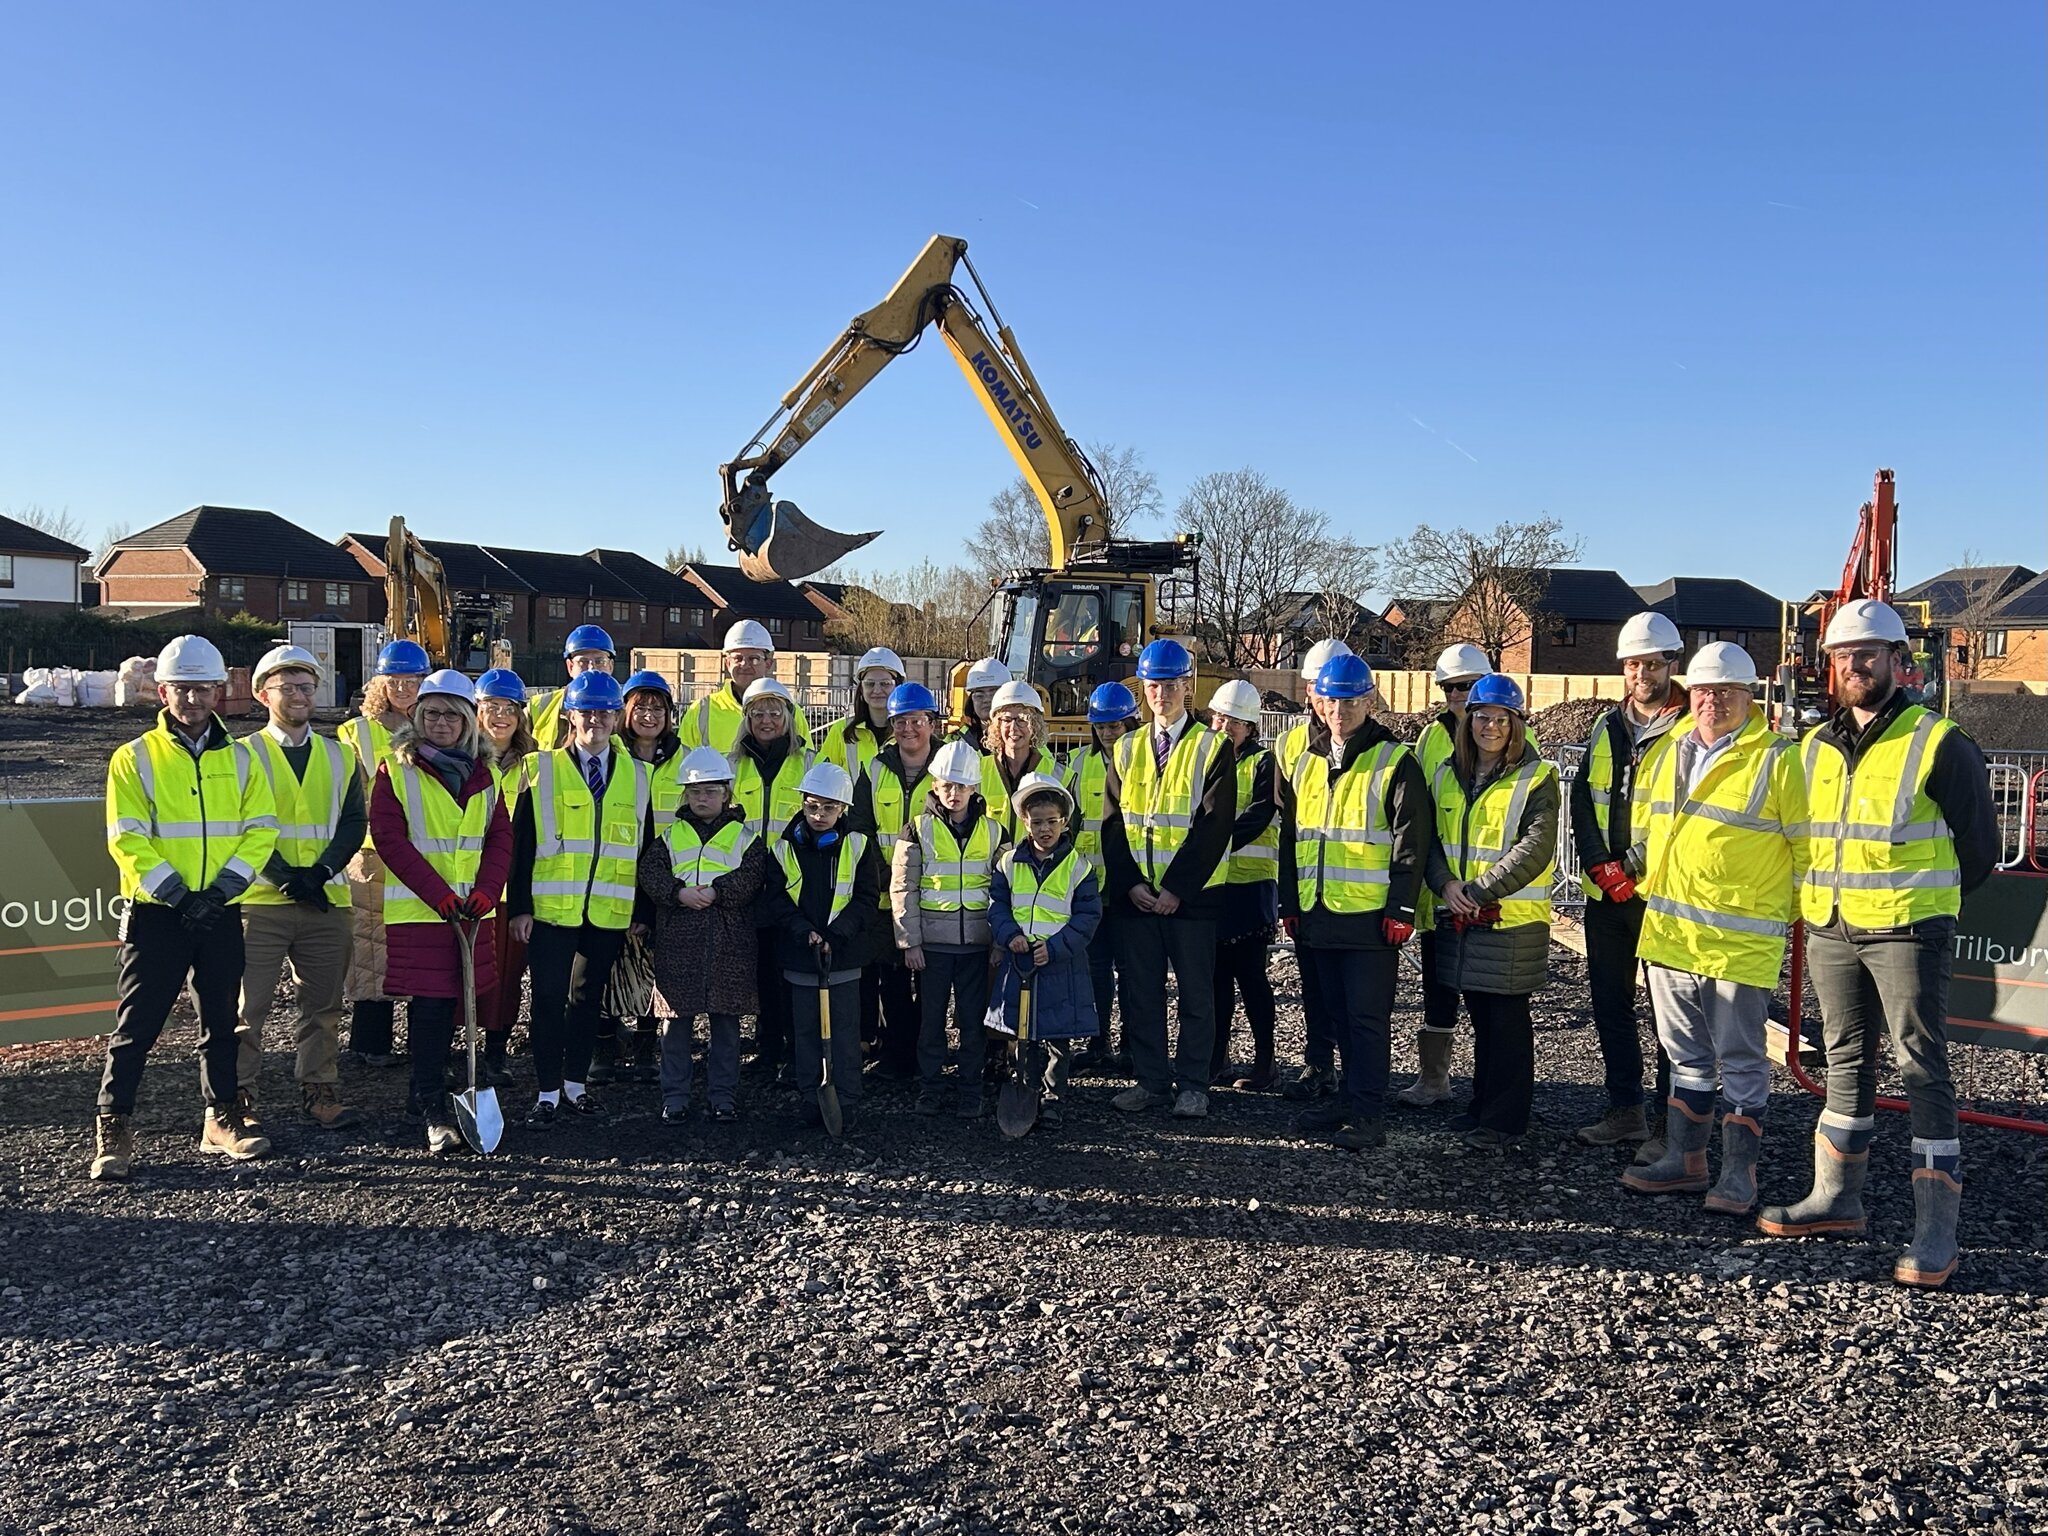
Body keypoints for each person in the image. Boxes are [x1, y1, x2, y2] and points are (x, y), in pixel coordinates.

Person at [1758, 600, 1998, 1288]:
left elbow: (1977, 849)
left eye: (1868, 654)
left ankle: (1935, 1231)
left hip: (1906, 929)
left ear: (1899, 661)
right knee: (1845, 1059)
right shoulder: (1815, 747)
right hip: (1832, 925)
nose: (1854, 666)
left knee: (1922, 1066)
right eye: (1843, 656)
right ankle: (1837, 1197)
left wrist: (1923, 907)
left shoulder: (1937, 741)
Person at [1621, 643, 1808, 1214]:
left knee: (1744, 1060)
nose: (1712, 700)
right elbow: (1652, 838)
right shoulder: (1668, 751)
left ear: (1749, 695)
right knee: (1685, 1058)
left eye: (1726, 691)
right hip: (1671, 935)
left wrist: (1778, 914)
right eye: (1704, 689)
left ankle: (1738, 1176)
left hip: (1738, 944)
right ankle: (1686, 1160)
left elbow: (1806, 852)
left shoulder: (1778, 760)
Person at [91, 635, 279, 1181]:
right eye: (182, 689)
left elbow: (260, 829)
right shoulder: (134, 758)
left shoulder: (243, 759)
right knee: (137, 1026)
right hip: (158, 913)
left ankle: (222, 1119)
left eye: (203, 688)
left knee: (221, 1020)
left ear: (219, 691)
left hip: (219, 910)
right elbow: (126, 837)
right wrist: (178, 893)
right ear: (162, 691)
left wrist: (219, 892)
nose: (193, 699)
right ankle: (114, 1124)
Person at [1277, 654, 1430, 1151]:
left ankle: (1368, 1114)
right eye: (1332, 701)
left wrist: (1400, 908)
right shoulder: (1306, 758)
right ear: (1318, 703)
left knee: (1366, 1020)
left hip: (1369, 918)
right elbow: (1290, 838)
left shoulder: (1394, 760)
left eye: (1351, 701)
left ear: (1368, 701)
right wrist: (1288, 904)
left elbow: (1412, 841)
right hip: (1317, 910)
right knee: (1334, 1014)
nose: (1340, 711)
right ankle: (1345, 1098)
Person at [368, 670, 514, 1155]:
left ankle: (432, 1089)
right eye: (432, 713)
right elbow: (390, 840)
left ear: (469, 721)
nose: (442, 723)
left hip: (472, 913)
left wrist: (489, 891)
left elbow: (499, 839)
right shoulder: (396, 771)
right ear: (417, 716)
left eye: (453, 714)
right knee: (430, 1010)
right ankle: (430, 1102)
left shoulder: (485, 774)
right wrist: (438, 895)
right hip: (423, 913)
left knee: (465, 1005)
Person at [508, 669, 652, 1129]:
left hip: (607, 910)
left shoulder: (638, 775)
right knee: (548, 999)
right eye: (586, 711)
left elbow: (645, 848)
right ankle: (547, 1092)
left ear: (616, 718)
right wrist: (520, 907)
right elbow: (520, 843)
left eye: (605, 712)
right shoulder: (541, 768)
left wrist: (641, 911)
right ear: (571, 716)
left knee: (587, 1000)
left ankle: (576, 1086)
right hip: (551, 911)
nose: (596, 721)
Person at [234, 644, 368, 1134]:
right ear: (263, 694)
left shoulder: (340, 755)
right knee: (247, 1010)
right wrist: (285, 876)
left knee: (324, 1007)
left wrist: (320, 872)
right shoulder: (241, 755)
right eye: (286, 687)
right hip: (259, 901)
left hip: (326, 899)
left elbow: (354, 822)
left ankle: (319, 1088)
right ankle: (239, 1096)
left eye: (306, 687)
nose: (298, 696)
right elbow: (234, 824)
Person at [1102, 638, 1237, 1118]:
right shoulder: (1127, 746)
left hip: (1192, 900)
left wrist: (1176, 889)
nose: (1162, 693)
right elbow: (1113, 823)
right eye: (1153, 685)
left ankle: (1194, 1084)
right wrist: (1132, 884)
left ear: (1188, 686)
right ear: (1144, 689)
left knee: (1196, 996)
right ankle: (1152, 1081)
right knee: (1142, 994)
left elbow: (1214, 825)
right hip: (1137, 899)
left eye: (1171, 685)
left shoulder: (1213, 746)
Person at [1424, 675, 1559, 1151]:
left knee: (1506, 1023)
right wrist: (1445, 884)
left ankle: (1504, 1120)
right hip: (1462, 915)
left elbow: (1536, 847)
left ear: (1516, 724)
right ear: (1469, 721)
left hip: (1508, 919)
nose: (1491, 726)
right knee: (1481, 1015)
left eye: (1502, 719)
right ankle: (1481, 1108)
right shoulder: (1445, 773)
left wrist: (1478, 891)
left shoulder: (1536, 776)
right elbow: (1431, 841)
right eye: (1483, 717)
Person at [1571, 613, 1687, 1151]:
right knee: (1610, 1004)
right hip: (1606, 893)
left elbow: (1684, 812)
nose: (1642, 672)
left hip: (1660, 892)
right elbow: (1584, 800)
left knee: (1670, 1011)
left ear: (1672, 664)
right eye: (1634, 663)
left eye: (1653, 662)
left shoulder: (1690, 728)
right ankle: (1625, 1109)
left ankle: (1668, 1120)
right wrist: (1599, 863)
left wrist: (1631, 866)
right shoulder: (1605, 725)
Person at [638, 747, 770, 1124]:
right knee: (675, 1026)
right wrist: (677, 893)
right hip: (679, 942)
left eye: (710, 791)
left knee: (726, 1028)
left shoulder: (746, 837)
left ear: (726, 793)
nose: (702, 797)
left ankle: (723, 1097)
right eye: (695, 791)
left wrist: (717, 892)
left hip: (730, 944)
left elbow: (753, 875)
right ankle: (675, 1098)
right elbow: (651, 873)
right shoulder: (669, 836)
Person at [760, 761, 884, 1131]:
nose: (819, 814)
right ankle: (810, 1096)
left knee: (845, 1032)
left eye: (829, 807)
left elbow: (866, 899)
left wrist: (835, 935)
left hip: (843, 957)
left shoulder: (859, 846)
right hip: (800, 955)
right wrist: (805, 933)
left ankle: (846, 1097)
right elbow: (777, 899)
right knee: (805, 1032)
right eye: (813, 806)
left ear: (843, 809)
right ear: (802, 804)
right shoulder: (783, 849)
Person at [1397, 641, 1494, 1109]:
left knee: (1487, 995)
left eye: (1467, 686)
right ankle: (1434, 1078)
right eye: (1451, 687)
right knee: (1437, 984)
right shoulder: (1432, 738)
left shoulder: (1516, 736)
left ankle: (1490, 1090)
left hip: (1491, 895)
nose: (1458, 694)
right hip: (1441, 888)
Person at [893, 740, 1008, 1119]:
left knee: (973, 1024)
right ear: (934, 787)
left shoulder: (995, 831)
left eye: (961, 786)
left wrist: (999, 941)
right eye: (946, 786)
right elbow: (903, 886)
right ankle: (931, 1089)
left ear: (975, 787)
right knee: (931, 1024)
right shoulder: (916, 829)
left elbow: (1005, 889)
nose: (953, 793)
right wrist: (909, 942)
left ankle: (970, 1090)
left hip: (977, 946)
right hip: (934, 948)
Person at [990, 774, 1103, 1129]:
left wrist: (1053, 949)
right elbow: (997, 905)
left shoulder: (1079, 868)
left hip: (1060, 964)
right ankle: (1025, 1087)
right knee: (1022, 1033)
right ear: (1024, 822)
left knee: (1058, 1037)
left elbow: (1087, 917)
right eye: (1036, 822)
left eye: (1051, 822)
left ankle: (1054, 1097)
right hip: (1020, 960)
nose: (1044, 829)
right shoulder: (1008, 863)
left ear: (1064, 822)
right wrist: (1010, 936)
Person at [341, 638, 428, 1068]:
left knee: (415, 945)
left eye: (413, 680)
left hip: (422, 852)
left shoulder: (435, 726)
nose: (405, 688)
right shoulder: (357, 731)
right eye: (396, 680)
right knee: (371, 950)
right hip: (374, 855)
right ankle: (370, 1043)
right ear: (381, 682)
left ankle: (419, 1043)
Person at [591, 669, 680, 1088]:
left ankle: (646, 1050)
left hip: (665, 882)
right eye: (640, 706)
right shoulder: (609, 758)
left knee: (652, 969)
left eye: (657, 707)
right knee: (607, 968)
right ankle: (604, 1050)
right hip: (612, 877)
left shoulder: (683, 759)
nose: (649, 714)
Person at [850, 680, 942, 1077]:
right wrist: (881, 875)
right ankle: (897, 1054)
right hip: (885, 895)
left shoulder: (948, 769)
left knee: (932, 984)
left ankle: (927, 1055)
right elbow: (860, 827)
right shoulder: (875, 768)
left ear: (932, 723)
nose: (908, 729)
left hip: (935, 893)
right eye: (900, 721)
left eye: (916, 720)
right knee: (890, 978)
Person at [1275, 638, 1352, 1103]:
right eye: (1320, 693)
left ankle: (1356, 1073)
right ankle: (1319, 1064)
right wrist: (1289, 898)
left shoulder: (1368, 743)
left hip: (1352, 894)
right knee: (1314, 984)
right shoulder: (1290, 745)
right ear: (1308, 691)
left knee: (1354, 994)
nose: (1327, 703)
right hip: (1308, 889)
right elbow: (1287, 826)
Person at [728, 675, 812, 1079]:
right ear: (746, 718)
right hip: (748, 888)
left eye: (774, 712)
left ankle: (797, 1055)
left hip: (793, 887)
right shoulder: (731, 766)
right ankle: (767, 1049)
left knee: (793, 974)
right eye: (757, 712)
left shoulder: (808, 764)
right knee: (761, 975)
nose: (766, 720)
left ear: (789, 717)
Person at [1206, 679, 1281, 1090]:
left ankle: (1265, 1062)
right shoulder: (1202, 758)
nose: (1225, 726)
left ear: (1250, 726)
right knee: (1216, 977)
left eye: (1234, 721)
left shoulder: (1263, 762)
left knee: (1251, 977)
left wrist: (1214, 842)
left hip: (1251, 886)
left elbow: (1259, 812)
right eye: (1219, 717)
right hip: (1215, 885)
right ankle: (1216, 1060)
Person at [1063, 681, 1140, 1071]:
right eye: (1102, 726)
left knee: (1130, 970)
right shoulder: (1079, 764)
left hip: (1131, 884)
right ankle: (1098, 1043)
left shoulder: (1144, 760)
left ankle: (1130, 1046)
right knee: (1094, 969)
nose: (1108, 733)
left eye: (1115, 725)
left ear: (1130, 722)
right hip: (1091, 885)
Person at [472, 667, 537, 1087]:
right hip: (468, 886)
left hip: (513, 889)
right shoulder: (461, 761)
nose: (500, 715)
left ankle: (496, 1053)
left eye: (508, 708)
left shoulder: (534, 766)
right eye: (491, 706)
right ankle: (455, 1055)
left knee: (508, 976)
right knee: (461, 974)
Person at [980, 680, 1059, 844]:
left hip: (1037, 868)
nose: (1014, 728)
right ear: (997, 725)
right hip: (990, 867)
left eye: (1022, 719)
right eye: (1006, 720)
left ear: (1035, 724)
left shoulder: (1059, 775)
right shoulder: (977, 771)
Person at [683, 620, 777, 755]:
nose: (744, 665)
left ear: (768, 664)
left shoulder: (788, 710)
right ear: (727, 663)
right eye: (737, 658)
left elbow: (807, 763)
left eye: (754, 659)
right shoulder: (701, 711)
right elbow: (681, 764)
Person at [817, 647, 904, 782]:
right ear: (861, 689)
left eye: (885, 684)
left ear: (898, 687)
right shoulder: (841, 731)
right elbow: (822, 780)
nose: (877, 690)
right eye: (869, 684)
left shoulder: (909, 732)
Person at [528, 624, 616, 750]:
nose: (592, 668)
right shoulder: (539, 708)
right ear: (570, 667)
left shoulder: (624, 712)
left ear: (610, 666)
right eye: (583, 662)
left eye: (600, 661)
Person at [953, 658, 1011, 752]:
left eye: (993, 693)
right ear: (971, 700)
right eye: (979, 695)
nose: (987, 699)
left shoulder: (1028, 742)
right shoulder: (956, 744)